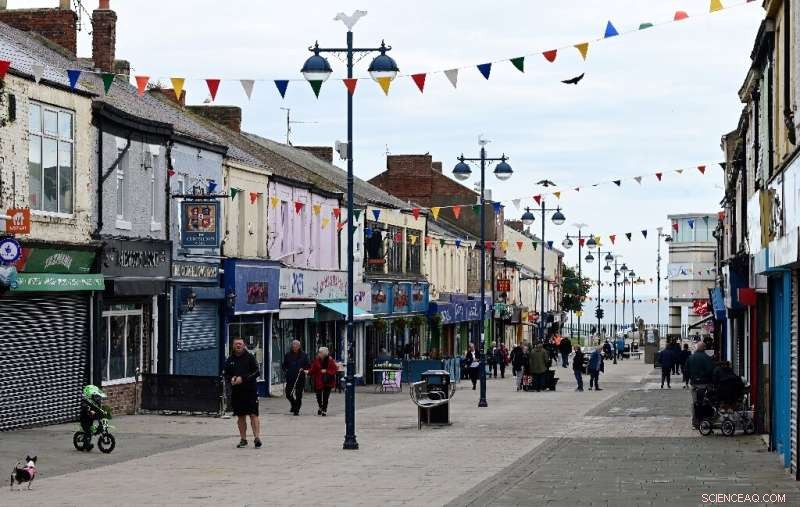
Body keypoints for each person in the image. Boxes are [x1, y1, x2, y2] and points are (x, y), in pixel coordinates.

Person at [224, 337, 262, 448]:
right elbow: (226, 373)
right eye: (236, 344)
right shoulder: (230, 359)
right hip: (237, 392)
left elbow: (257, 372)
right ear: (233, 346)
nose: (238, 345)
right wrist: (231, 378)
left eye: (240, 344)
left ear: (244, 345)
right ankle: (243, 439)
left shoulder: (250, 357)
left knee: (253, 415)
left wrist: (243, 378)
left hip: (250, 391)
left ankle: (257, 438)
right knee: (240, 416)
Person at [686, 341, 715, 428]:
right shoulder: (707, 358)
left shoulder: (691, 357)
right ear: (704, 348)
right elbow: (710, 370)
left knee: (695, 403)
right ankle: (705, 421)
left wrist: (690, 379)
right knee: (705, 402)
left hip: (694, 383)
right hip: (705, 383)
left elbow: (686, 370)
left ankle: (695, 423)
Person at [307, 347, 338, 416]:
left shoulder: (330, 360)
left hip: (328, 381)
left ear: (324, 353)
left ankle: (324, 410)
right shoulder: (316, 360)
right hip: (319, 381)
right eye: (319, 352)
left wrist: (326, 371)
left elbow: (335, 370)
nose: (318, 354)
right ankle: (320, 407)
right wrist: (307, 372)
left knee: (325, 397)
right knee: (318, 396)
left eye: (320, 352)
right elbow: (313, 369)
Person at [282, 340, 310, 416]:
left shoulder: (304, 355)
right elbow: (284, 365)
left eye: (296, 346)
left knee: (298, 394)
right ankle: (294, 404)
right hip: (290, 377)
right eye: (293, 346)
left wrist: (303, 369)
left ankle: (296, 410)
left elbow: (308, 365)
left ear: (299, 346)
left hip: (300, 377)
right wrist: (286, 370)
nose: (294, 347)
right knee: (288, 394)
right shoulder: (288, 355)